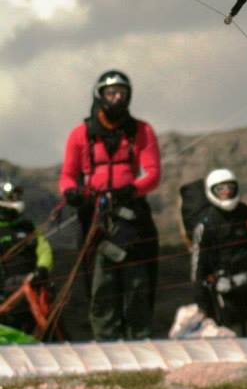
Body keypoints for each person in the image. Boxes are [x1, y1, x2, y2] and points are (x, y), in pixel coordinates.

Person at [59, 70, 161, 340]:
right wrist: (71, 193)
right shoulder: (80, 134)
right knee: (100, 280)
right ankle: (105, 339)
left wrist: (133, 189)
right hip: (94, 215)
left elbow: (153, 173)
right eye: (111, 93)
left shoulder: (142, 130)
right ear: (99, 96)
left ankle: (139, 337)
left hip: (132, 214)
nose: (116, 98)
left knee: (137, 278)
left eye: (122, 93)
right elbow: (68, 175)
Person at [191, 168, 247, 337]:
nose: (226, 192)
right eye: (220, 189)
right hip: (226, 294)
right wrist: (202, 301)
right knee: (231, 339)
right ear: (212, 191)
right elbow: (198, 264)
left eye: (229, 188)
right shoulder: (206, 223)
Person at [0, 180, 53, 336]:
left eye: (17, 196)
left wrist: (42, 269)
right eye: (12, 197)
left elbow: (44, 249)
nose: (16, 200)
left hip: (33, 289)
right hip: (6, 294)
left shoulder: (28, 227)